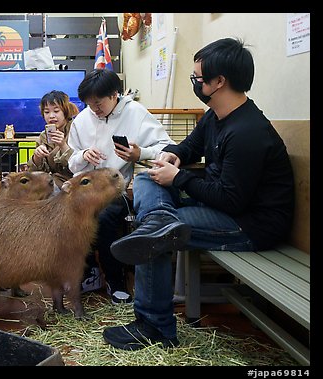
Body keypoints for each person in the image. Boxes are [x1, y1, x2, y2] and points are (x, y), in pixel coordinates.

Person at [103, 37, 295, 350]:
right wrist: (174, 155)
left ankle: (155, 326)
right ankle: (159, 223)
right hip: (223, 203)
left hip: (251, 223)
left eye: (197, 78)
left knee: (157, 236)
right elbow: (191, 145)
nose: (194, 81)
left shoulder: (248, 132)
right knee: (149, 182)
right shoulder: (216, 116)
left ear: (219, 81)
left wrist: (178, 178)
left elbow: (232, 200)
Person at [68, 69, 176, 304]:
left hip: (114, 189)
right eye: (89, 104)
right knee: (64, 212)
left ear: (115, 94)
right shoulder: (83, 119)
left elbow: (168, 148)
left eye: (98, 103)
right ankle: (87, 271)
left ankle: (115, 280)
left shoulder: (135, 113)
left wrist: (140, 153)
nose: (94, 110)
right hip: (85, 186)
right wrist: (84, 154)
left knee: (104, 217)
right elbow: (72, 161)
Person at [26, 90, 80, 188]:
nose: (51, 116)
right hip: (54, 182)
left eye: (56, 111)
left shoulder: (77, 130)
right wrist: (37, 157)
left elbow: (80, 167)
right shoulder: (44, 136)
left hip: (76, 184)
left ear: (66, 111)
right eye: (46, 112)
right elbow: (35, 173)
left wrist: (63, 146)